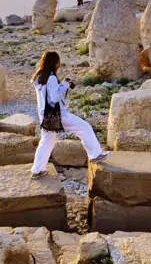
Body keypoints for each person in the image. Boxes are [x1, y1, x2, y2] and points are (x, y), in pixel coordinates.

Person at [29, 51, 108, 179]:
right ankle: (95, 155)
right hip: (58, 115)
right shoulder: (52, 78)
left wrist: (60, 85)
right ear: (55, 62)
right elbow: (54, 98)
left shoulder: (38, 78)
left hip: (44, 116)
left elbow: (48, 95)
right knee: (84, 127)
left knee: (46, 142)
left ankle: (37, 170)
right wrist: (65, 85)